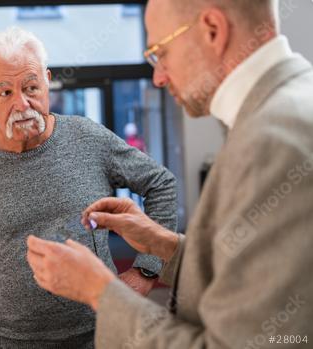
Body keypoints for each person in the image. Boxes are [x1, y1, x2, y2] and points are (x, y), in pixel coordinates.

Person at [27, 0, 313, 348]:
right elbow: (253, 276)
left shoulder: (271, 141)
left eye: (160, 52)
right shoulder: (287, 106)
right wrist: (165, 245)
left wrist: (100, 292)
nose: (158, 77)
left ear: (213, 30)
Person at [0, 27, 178, 349]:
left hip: (102, 337)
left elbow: (161, 184)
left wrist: (146, 270)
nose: (22, 104)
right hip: (6, 342)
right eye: (4, 93)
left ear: (47, 81)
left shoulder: (87, 138)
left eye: (31, 87)